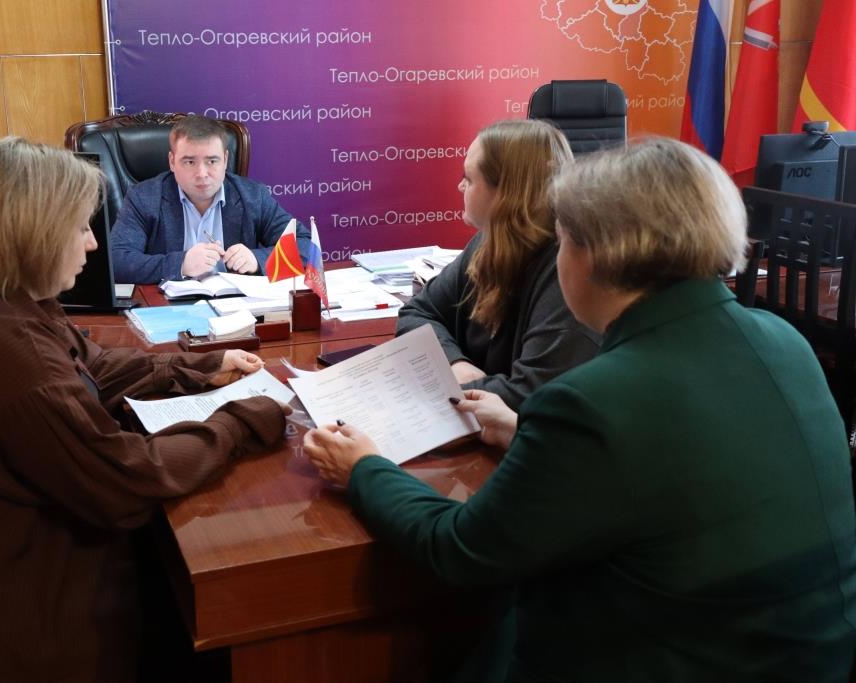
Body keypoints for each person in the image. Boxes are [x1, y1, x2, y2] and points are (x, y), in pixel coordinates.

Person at [304, 138, 856, 681]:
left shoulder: (592, 401)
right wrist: (522, 432)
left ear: (590, 254)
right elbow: (675, 470)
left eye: (562, 241)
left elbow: (462, 550)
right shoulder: (786, 341)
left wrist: (364, 468)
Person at [0, 137, 288, 683]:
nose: (93, 243)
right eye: (80, 228)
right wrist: (240, 421)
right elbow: (124, 482)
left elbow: (91, 365)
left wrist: (201, 368)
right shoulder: (6, 350)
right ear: (34, 235)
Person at [396, 119, 599, 410]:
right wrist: (455, 363)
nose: (460, 185)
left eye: (469, 178)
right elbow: (417, 312)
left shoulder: (566, 270)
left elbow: (530, 393)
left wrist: (441, 388)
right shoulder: (487, 243)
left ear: (506, 194)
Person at [111, 114, 301, 283]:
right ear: (172, 161)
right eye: (189, 162)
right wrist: (181, 264)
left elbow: (305, 244)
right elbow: (116, 260)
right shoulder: (144, 198)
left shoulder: (253, 196)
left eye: (212, 161)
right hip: (167, 306)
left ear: (225, 160)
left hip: (235, 307)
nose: (202, 173)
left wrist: (258, 259)